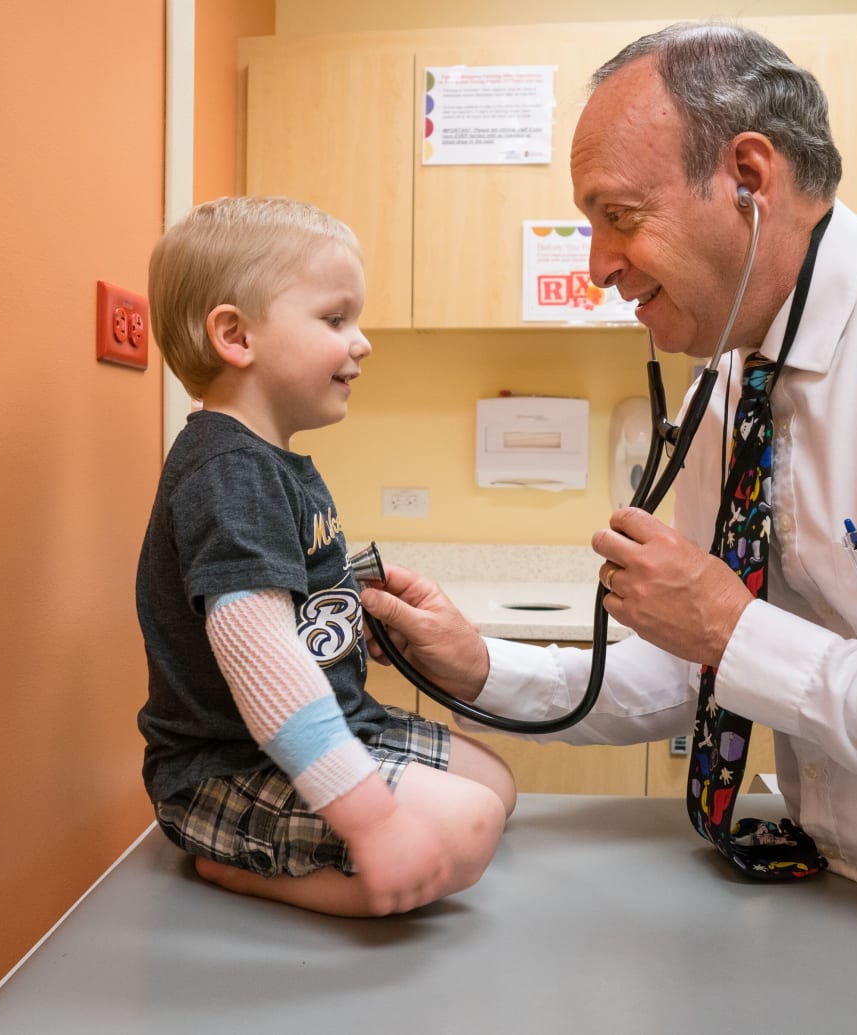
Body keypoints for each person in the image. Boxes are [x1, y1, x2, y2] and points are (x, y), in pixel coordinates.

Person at [360, 22, 857, 1033]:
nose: (598, 265)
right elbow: (691, 671)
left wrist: (738, 633)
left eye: (619, 216)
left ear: (748, 177)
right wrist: (479, 668)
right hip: (843, 897)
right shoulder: (735, 381)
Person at [137, 195, 515, 918]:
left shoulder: (269, 461)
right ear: (234, 334)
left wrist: (345, 625)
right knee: (467, 828)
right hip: (226, 769)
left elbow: (291, 618)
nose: (363, 340)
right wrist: (371, 820)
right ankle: (246, 872)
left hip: (332, 723)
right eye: (336, 318)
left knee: (495, 786)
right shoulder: (227, 471)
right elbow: (260, 658)